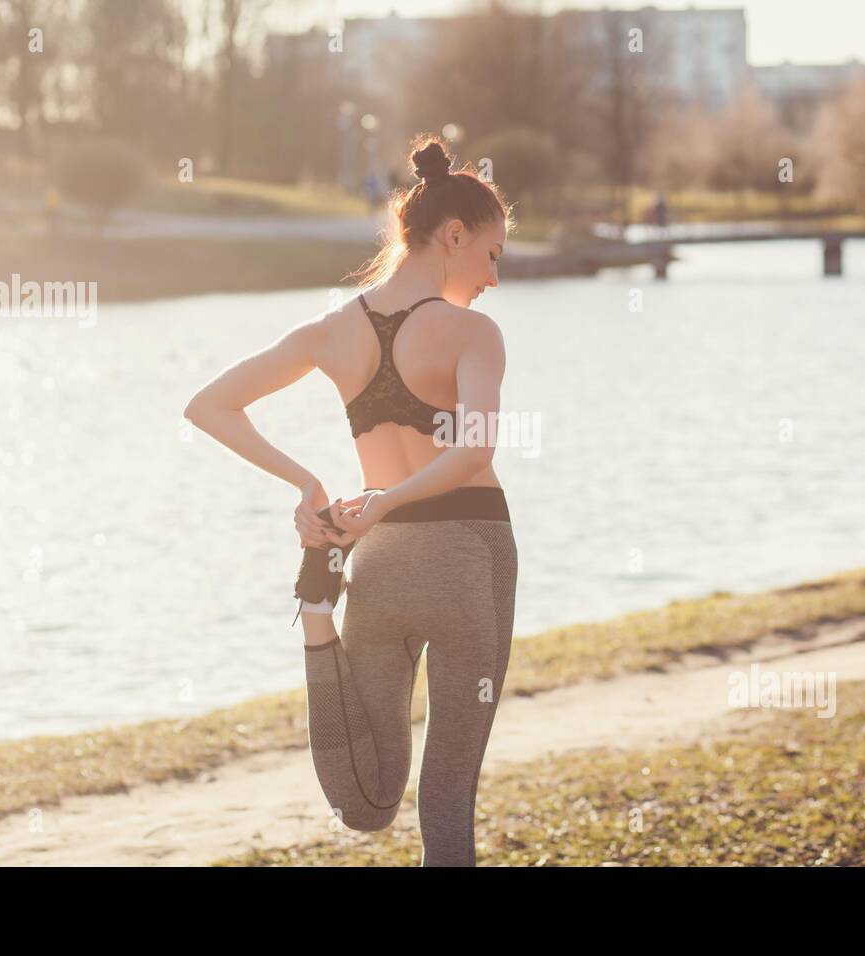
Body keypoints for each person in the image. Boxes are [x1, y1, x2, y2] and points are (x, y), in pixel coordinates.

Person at [182, 134, 516, 867]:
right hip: (470, 560)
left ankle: (313, 624)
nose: (494, 279)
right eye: (491, 255)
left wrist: (310, 486)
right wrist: (391, 500)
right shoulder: (473, 334)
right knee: (448, 797)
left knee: (366, 800)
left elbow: (209, 406)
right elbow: (475, 453)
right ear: (454, 235)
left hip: (380, 570)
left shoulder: (330, 332)